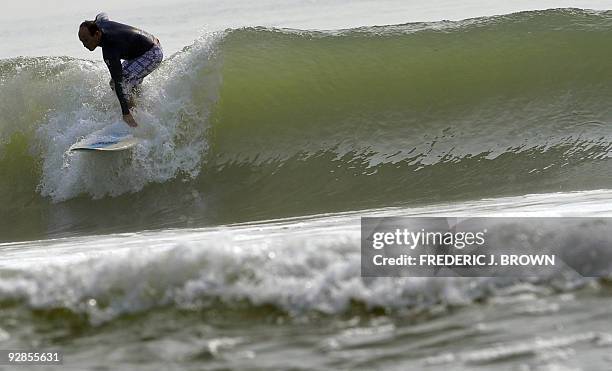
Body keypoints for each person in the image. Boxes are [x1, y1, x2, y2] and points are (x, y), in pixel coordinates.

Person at [78, 13, 163, 127]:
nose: (84, 45)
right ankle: (142, 109)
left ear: (97, 34)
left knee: (123, 83)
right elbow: (102, 15)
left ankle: (133, 120)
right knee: (123, 85)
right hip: (139, 51)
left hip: (151, 53)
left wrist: (125, 113)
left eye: (86, 40)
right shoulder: (99, 24)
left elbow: (119, 81)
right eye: (82, 41)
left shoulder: (110, 49)